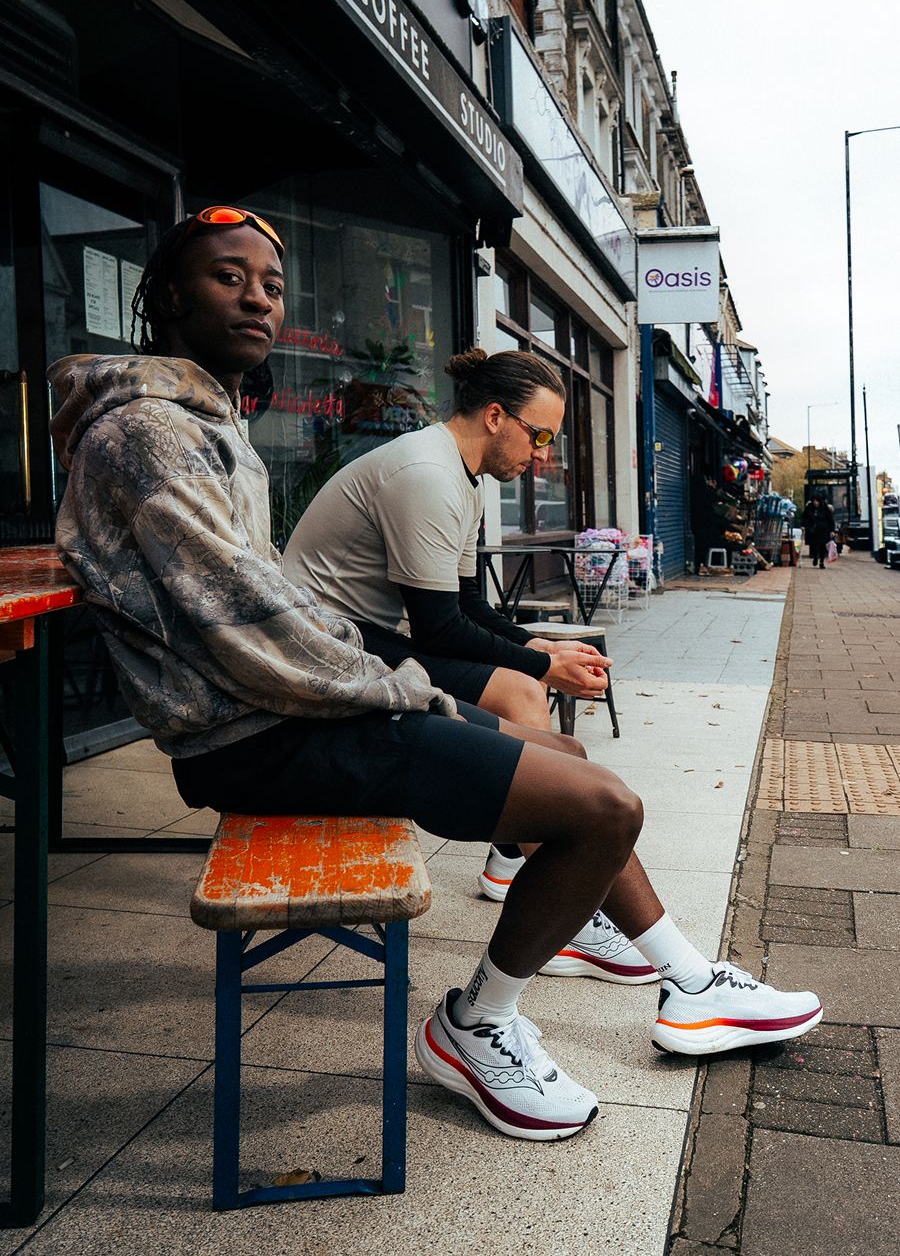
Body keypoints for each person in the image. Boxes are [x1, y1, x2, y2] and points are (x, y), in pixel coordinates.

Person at [49, 211, 822, 1145]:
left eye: (271, 283)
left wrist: (423, 685)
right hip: (260, 734)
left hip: (303, 704)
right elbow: (249, 629)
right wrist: (415, 691)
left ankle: (689, 981)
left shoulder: (205, 423)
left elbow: (290, 612)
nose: (258, 297)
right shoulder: (149, 435)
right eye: (228, 277)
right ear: (169, 297)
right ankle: (478, 1024)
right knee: (602, 808)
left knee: (565, 761)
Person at [282, 344, 823, 1025]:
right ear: (495, 416)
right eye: (539, 437)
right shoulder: (425, 474)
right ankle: (581, 900)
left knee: (541, 724)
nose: (544, 456)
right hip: (332, 664)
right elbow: (439, 632)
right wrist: (544, 664)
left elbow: (467, 611)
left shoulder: (462, 477)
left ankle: (542, 875)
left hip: (368, 646)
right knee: (543, 731)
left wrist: (538, 645)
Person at [802, 494, 836, 568]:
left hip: (823, 530)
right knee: (814, 545)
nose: (815, 502)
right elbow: (805, 517)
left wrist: (832, 530)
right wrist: (804, 525)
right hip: (813, 530)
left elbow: (830, 520)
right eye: (814, 501)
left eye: (817, 501)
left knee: (822, 546)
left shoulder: (825, 508)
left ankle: (821, 562)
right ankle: (815, 557)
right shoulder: (809, 508)